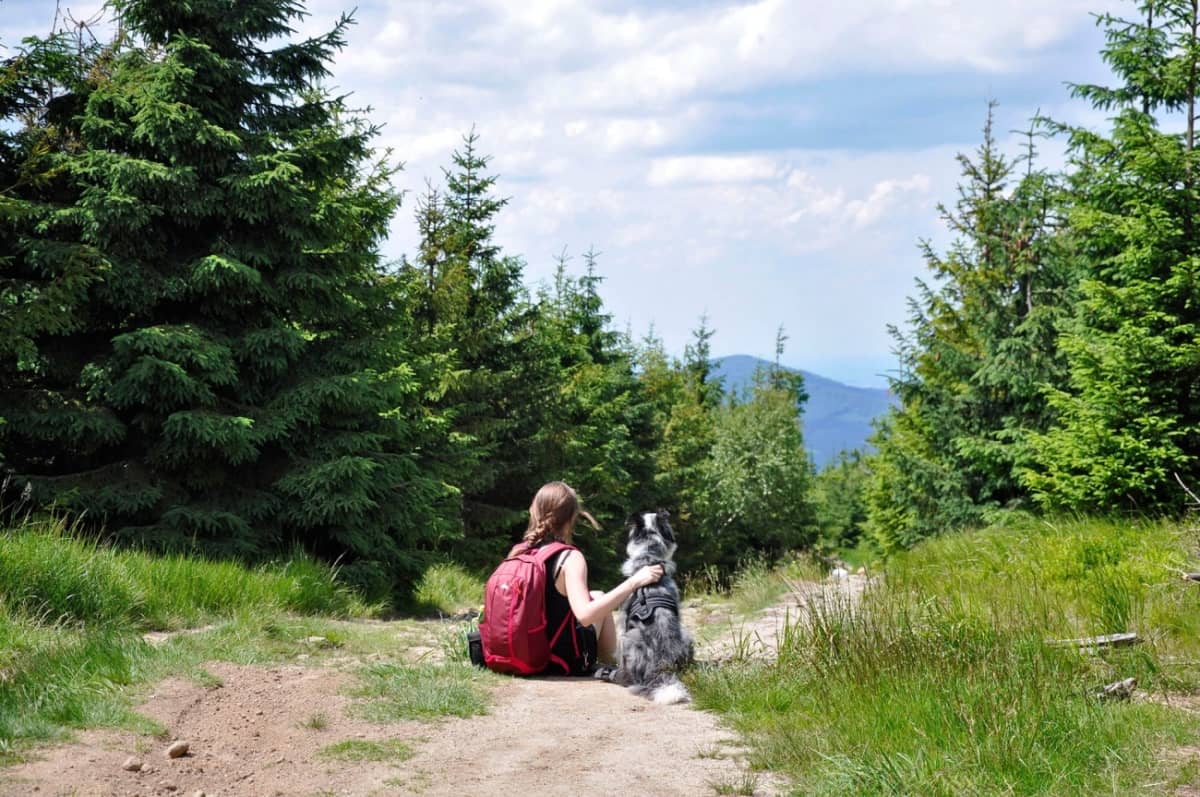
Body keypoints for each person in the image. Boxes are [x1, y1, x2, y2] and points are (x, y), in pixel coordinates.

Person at [523, 481, 664, 674]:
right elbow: (586, 615)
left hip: (524, 652)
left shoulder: (521, 552)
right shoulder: (570, 558)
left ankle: (614, 660)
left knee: (596, 594)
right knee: (600, 603)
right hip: (557, 661)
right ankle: (613, 661)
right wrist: (634, 582)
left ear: (534, 511)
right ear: (573, 516)